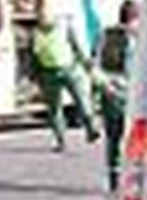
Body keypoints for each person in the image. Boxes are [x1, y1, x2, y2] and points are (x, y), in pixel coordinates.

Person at [33, 10, 99, 152]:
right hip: (48, 73)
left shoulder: (63, 27)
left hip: (69, 68)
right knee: (54, 109)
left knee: (82, 100)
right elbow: (34, 56)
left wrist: (85, 63)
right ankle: (60, 140)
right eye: (41, 19)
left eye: (46, 18)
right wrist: (36, 76)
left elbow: (76, 46)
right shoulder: (36, 33)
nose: (44, 22)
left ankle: (91, 128)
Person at [96, 0, 140, 191]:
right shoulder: (140, 36)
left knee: (114, 137)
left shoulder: (106, 34)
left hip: (111, 89)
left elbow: (95, 61)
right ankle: (132, 177)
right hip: (132, 90)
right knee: (135, 135)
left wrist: (104, 84)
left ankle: (115, 176)